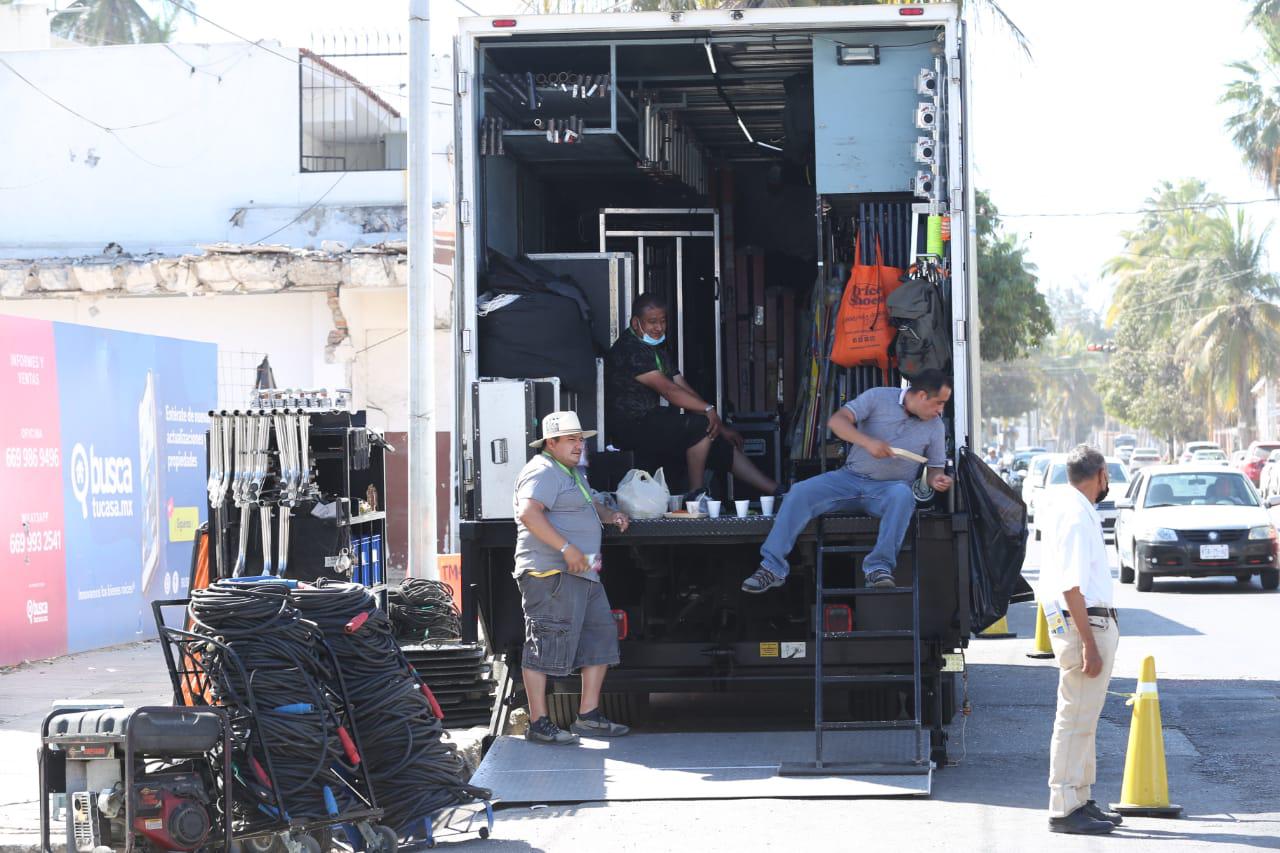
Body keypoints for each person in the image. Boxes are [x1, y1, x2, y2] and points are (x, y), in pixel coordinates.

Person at [741, 370, 954, 593]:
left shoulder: (935, 426)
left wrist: (935, 478)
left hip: (888, 490)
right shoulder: (877, 396)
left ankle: (878, 568)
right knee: (800, 491)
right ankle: (772, 568)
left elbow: (934, 467)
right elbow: (837, 421)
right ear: (921, 396)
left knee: (903, 495)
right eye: (939, 403)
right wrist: (868, 442)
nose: (941, 410)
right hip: (849, 478)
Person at [513, 410, 632, 745]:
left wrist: (611, 515)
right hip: (552, 572)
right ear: (551, 442)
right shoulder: (542, 470)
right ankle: (538, 723)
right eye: (571, 439)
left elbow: (589, 505)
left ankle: (588, 717)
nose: (580, 445)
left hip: (583, 571)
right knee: (544, 644)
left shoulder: (571, 472)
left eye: (581, 439)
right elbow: (528, 513)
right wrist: (566, 548)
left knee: (599, 637)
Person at [605, 294, 777, 498]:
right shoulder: (629, 349)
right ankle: (696, 497)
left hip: (651, 420)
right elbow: (669, 391)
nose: (659, 327)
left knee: (715, 440)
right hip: (630, 426)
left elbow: (682, 386)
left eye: (663, 321)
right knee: (698, 428)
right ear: (636, 322)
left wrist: (719, 426)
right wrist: (707, 410)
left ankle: (777, 491)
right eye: (652, 322)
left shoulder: (655, 348)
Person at [1038, 445, 1123, 835]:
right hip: (1084, 624)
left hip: (1087, 623)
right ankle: (1065, 805)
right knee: (1075, 718)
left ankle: (1080, 797)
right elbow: (1072, 587)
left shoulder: (1072, 507)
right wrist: (1088, 642)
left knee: (1084, 718)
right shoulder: (1074, 514)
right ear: (1101, 473)